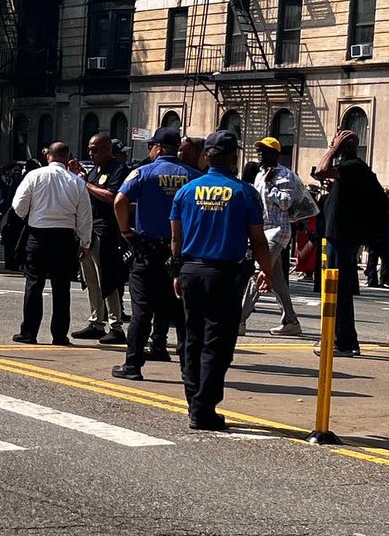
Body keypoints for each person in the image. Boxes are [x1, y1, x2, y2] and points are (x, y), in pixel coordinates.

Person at [170, 129, 273, 430]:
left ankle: (194, 401)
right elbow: (258, 241)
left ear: (206, 156)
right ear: (233, 157)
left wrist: (176, 270)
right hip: (223, 274)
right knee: (218, 343)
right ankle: (203, 408)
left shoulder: (186, 191)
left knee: (192, 339)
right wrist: (266, 270)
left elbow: (176, 238)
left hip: (191, 269)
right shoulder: (244, 192)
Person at [111, 127, 192, 380]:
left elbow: (119, 201)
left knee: (142, 310)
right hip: (179, 252)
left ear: (157, 148)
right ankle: (187, 370)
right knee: (180, 313)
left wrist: (125, 230)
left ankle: (133, 366)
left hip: (147, 249)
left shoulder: (143, 172)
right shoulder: (192, 176)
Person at [314, 129, 389, 357]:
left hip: (342, 237)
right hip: (340, 237)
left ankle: (342, 342)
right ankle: (348, 340)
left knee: (338, 291)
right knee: (340, 290)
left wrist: (333, 148)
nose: (334, 142)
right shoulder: (349, 170)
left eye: (339, 139)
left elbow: (321, 171)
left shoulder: (353, 165)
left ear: (348, 144)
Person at [10, 142, 93, 345]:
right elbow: (84, 216)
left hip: (38, 235)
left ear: (49, 157)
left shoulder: (34, 176)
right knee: (62, 287)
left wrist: (30, 214)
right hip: (65, 238)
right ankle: (59, 335)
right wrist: (85, 243)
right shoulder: (76, 182)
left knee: (34, 284)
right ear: (67, 158)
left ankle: (29, 332)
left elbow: (18, 206)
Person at [238, 137, 306, 337]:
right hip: (262, 230)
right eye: (259, 150)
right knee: (275, 278)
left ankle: (239, 320)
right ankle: (291, 321)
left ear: (275, 154)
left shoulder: (284, 175)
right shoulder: (259, 174)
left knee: (258, 273)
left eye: (265, 150)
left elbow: (286, 202)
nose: (260, 153)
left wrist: (271, 185)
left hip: (277, 231)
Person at [69, 133, 128, 344]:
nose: (91, 153)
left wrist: (86, 184)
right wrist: (82, 176)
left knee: (107, 279)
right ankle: (96, 322)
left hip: (107, 231)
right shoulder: (95, 170)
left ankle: (116, 325)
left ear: (107, 150)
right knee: (90, 278)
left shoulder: (118, 169)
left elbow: (112, 196)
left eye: (95, 149)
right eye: (89, 149)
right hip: (89, 228)